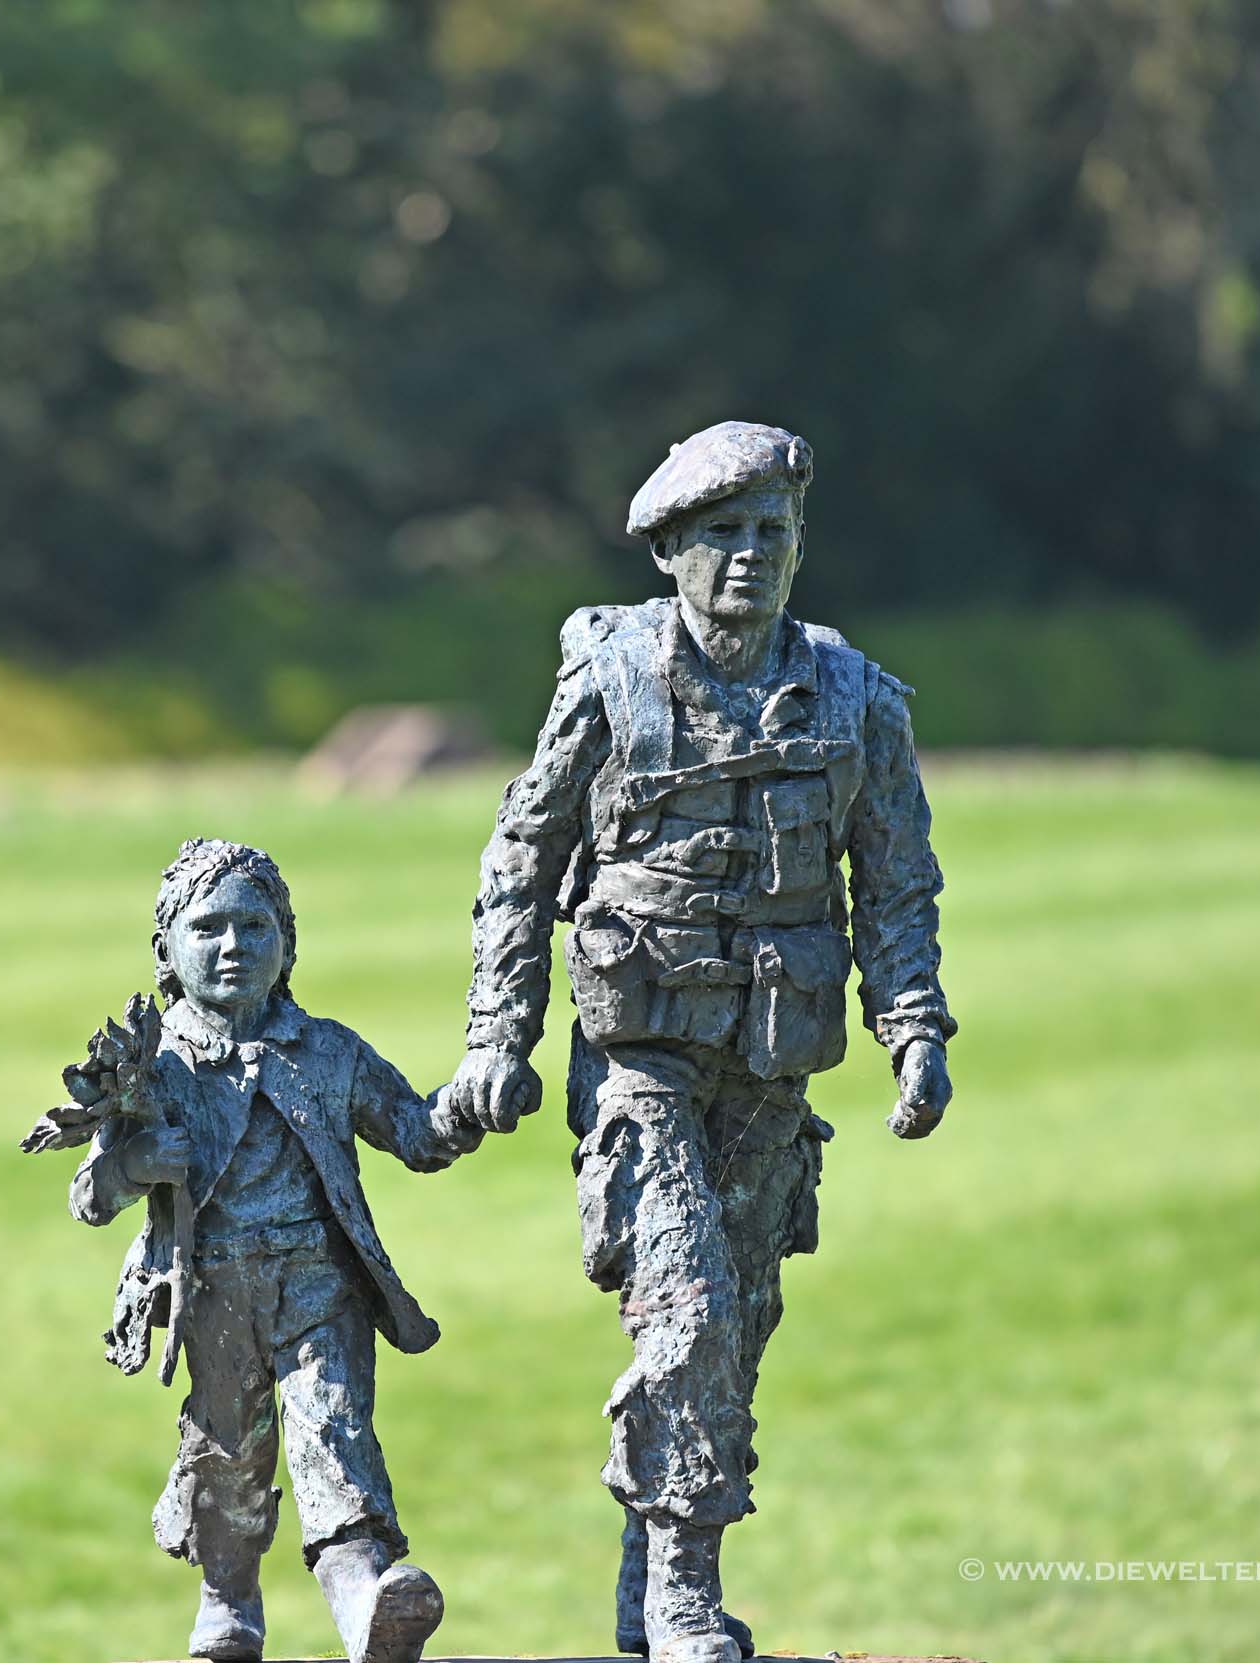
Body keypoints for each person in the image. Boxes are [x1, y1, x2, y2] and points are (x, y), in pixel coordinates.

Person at [445, 422, 957, 1663]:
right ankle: (680, 1596)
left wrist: (914, 1027)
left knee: (739, 1330)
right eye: (720, 534)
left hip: (772, 1064)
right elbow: (523, 858)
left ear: (798, 549)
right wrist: (496, 1035)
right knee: (687, 1312)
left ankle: (645, 1577)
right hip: (641, 1061)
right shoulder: (608, 683)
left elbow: (893, 884)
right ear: (670, 548)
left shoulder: (856, 700)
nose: (746, 557)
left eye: (769, 534)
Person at [63, 838, 485, 1663]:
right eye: (209, 927)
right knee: (229, 1453)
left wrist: (469, 1101)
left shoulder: (328, 1051)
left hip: (319, 1286)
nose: (233, 946)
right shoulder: (156, 1067)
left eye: (256, 927)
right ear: (167, 951)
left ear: (288, 943)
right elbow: (88, 1195)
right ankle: (229, 1600)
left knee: (334, 1432)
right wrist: (133, 1163)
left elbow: (412, 1130)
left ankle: (366, 1596)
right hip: (212, 1291)